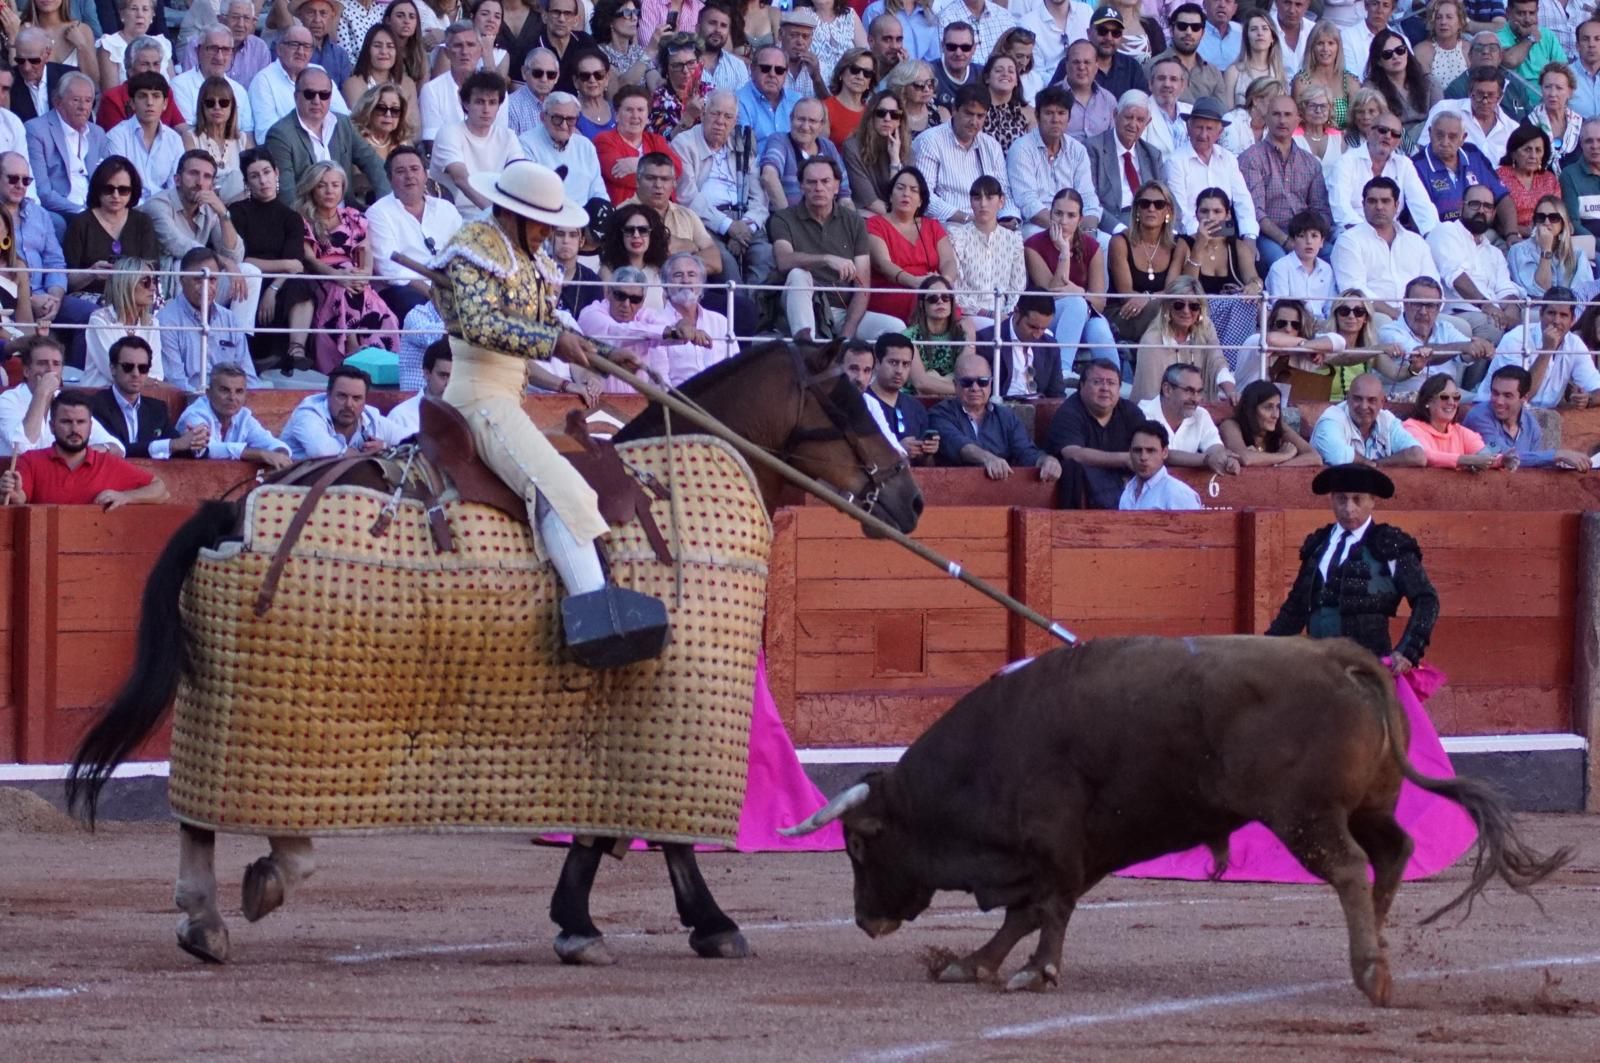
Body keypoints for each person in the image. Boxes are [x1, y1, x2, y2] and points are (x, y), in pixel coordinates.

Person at [433, 158, 669, 666]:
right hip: (476, 397)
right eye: (540, 222)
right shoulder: (474, 248)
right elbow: (480, 326)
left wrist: (603, 354)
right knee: (556, 486)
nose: (546, 233)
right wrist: (556, 340)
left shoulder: (526, 256)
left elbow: (549, 326)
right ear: (510, 213)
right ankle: (596, 619)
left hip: (508, 395)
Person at [1266, 463, 1438, 675]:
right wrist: (1266, 651)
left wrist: (1408, 651)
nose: (1349, 508)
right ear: (1332, 500)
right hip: (1318, 667)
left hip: (1367, 670)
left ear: (1372, 501)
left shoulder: (1390, 546)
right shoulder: (1318, 545)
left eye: (1357, 499)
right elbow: (1295, 609)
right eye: (1341, 499)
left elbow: (1426, 599)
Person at [772, 155, 903, 343]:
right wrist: (826, 258)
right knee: (798, 274)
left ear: (836, 186)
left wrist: (846, 336)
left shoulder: (854, 221)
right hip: (801, 306)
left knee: (895, 328)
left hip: (841, 312)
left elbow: (862, 284)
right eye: (811, 182)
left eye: (825, 181)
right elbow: (784, 260)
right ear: (801, 186)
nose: (818, 188)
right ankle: (806, 347)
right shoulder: (784, 218)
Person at [295, 160, 398, 373]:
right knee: (341, 290)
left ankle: (382, 360)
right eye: (322, 185)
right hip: (322, 278)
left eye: (335, 185)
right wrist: (337, 275)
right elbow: (309, 259)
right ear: (312, 188)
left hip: (354, 277)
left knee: (384, 311)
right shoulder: (301, 220)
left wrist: (365, 275)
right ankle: (350, 347)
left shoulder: (353, 217)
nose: (329, 191)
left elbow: (365, 250)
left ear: (343, 188)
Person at [228, 148, 317, 372]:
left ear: (277, 173)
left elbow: (295, 263)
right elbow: (242, 257)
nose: (263, 180)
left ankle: (296, 350)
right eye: (255, 176)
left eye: (267, 172)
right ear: (247, 181)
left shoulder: (291, 217)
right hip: (248, 277)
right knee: (251, 275)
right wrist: (284, 265)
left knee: (301, 284)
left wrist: (274, 288)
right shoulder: (238, 211)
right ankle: (249, 354)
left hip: (281, 282)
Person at [0, 389, 167, 506]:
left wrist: (125, 496)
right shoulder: (30, 460)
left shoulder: (107, 463)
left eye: (81, 422)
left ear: (90, 426)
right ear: (51, 426)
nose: (74, 429)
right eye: (66, 422)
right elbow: (20, 498)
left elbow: (160, 489)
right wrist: (13, 494)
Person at [265, 67, 390, 208]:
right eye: (309, 94)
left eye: (324, 95)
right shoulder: (280, 135)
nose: (317, 101)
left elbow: (374, 165)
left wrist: (385, 205)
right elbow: (287, 194)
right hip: (307, 219)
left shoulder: (343, 124)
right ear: (296, 96)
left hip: (346, 214)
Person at [928, 350, 1061, 481]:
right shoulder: (940, 414)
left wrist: (1046, 461)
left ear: (990, 384)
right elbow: (958, 445)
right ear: (956, 386)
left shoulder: (1006, 416)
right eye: (967, 382)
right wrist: (988, 459)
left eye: (983, 381)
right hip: (954, 489)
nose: (975, 388)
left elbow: (1026, 452)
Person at [367, 144, 464, 320]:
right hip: (409, 290)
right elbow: (390, 269)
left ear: (425, 175)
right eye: (401, 171)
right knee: (409, 302)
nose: (409, 176)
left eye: (414, 169)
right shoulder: (378, 213)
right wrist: (434, 294)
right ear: (389, 179)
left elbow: (465, 252)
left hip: (452, 286)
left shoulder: (446, 209)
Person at [141, 148, 249, 305]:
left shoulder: (210, 208)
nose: (200, 182)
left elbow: (235, 257)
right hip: (161, 285)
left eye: (207, 177)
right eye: (193, 173)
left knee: (248, 272)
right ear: (177, 179)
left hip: (199, 282)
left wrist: (223, 213)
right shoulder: (157, 206)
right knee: (184, 265)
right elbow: (180, 246)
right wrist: (225, 262)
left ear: (212, 185)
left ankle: (240, 330)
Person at [1023, 188, 1115, 370]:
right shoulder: (1033, 246)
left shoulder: (1092, 247)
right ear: (1050, 214)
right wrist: (1064, 252)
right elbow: (1053, 294)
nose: (1063, 221)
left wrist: (1079, 291)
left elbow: (1099, 303)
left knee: (1101, 331)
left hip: (1086, 313)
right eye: (1058, 213)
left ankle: (1114, 382)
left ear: (1080, 219)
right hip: (1048, 315)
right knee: (1075, 304)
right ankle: (1062, 372)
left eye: (1071, 215)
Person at [1239, 93, 1331, 273]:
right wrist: (1286, 241)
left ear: (1298, 120)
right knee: (1281, 262)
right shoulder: (1251, 159)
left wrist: (1310, 237)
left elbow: (1321, 210)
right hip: (1268, 235)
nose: (1282, 120)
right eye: (1276, 114)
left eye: (1288, 115)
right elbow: (1256, 213)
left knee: (1334, 254)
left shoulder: (1311, 163)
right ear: (1266, 118)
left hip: (1305, 233)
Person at [1425, 183, 1524, 345]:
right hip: (1456, 313)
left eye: (1487, 206)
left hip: (1491, 314)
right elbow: (1456, 277)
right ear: (1461, 206)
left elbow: (1505, 288)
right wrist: (1486, 306)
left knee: (1526, 331)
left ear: (1493, 213)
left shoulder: (1494, 253)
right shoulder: (1445, 232)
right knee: (1491, 327)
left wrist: (1512, 314)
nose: (1481, 211)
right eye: (1475, 204)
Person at [1331, 177, 1440, 317]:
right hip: (1370, 315)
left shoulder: (1416, 242)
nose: (1379, 207)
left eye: (1385, 201)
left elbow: (1433, 283)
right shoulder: (1349, 241)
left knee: (1459, 326)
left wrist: (1422, 312)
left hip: (1420, 314)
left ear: (1397, 205)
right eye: (1372, 201)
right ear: (1363, 205)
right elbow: (1354, 290)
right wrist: (1398, 316)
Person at [1046, 355, 1144, 508]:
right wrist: (1125, 459)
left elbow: (1150, 446)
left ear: (1119, 389)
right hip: (1080, 500)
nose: (1105, 388)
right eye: (1097, 382)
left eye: (1111, 383)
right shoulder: (1069, 412)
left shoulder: (1130, 412)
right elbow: (1073, 453)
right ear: (1082, 386)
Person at [1476, 286, 1600, 406]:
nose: (1556, 321)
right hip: (1495, 411)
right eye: (1551, 313)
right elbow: (1522, 396)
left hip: (1538, 416)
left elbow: (1596, 387)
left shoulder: (1574, 343)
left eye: (1563, 315)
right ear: (1541, 314)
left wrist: (1589, 398)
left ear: (1572, 320)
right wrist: (1547, 350)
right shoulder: (1516, 338)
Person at [1373, 276, 1494, 398]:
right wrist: (1463, 347)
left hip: (1447, 397)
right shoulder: (1389, 331)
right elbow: (1419, 354)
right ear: (1405, 303)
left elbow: (1466, 352)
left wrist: (1481, 347)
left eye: (1430, 305)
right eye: (1417, 304)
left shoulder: (1445, 329)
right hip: (1405, 399)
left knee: (1482, 402)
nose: (1423, 311)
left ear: (1438, 307)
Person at [85, 334, 204, 459]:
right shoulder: (94, 406)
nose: (136, 374)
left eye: (143, 368)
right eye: (128, 367)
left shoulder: (157, 408)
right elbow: (118, 448)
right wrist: (170, 445)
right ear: (113, 368)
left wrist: (195, 443)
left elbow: (177, 447)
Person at [1162, 96, 1260, 242]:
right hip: (1189, 237)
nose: (1203, 135)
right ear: (1189, 128)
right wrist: (1206, 237)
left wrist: (1250, 236)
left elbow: (1243, 200)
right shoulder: (1175, 162)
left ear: (1219, 133)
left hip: (1226, 234)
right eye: (1198, 127)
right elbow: (1180, 213)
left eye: (1209, 129)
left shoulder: (1228, 159)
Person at [154, 245, 253, 390]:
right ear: (182, 280)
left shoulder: (229, 319)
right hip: (190, 405)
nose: (206, 287)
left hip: (231, 403)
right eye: (198, 280)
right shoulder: (166, 320)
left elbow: (248, 376)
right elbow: (175, 382)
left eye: (212, 280)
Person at [864, 164, 954, 323]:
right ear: (891, 196)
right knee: (924, 304)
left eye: (914, 190)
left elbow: (948, 261)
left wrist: (942, 282)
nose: (906, 193)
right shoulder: (875, 224)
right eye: (900, 188)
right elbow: (882, 264)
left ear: (921, 200)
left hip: (930, 291)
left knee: (959, 317)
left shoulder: (932, 226)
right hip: (891, 292)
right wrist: (917, 283)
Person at [911, 83, 1011, 223]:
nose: (974, 122)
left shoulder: (991, 145)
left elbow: (1004, 191)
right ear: (954, 110)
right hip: (945, 224)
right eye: (969, 114)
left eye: (980, 116)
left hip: (986, 224)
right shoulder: (929, 141)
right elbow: (924, 195)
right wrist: (966, 219)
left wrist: (1008, 218)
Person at [1008, 85, 1098, 240]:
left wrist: (1088, 228)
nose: (1055, 119)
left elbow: (1087, 196)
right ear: (1037, 115)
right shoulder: (1022, 148)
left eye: (1061, 113)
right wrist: (1063, 231)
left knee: (1106, 243)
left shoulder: (1078, 150)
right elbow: (1027, 202)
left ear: (1069, 117)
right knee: (1036, 238)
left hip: (1074, 224)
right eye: (1049, 113)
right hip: (1038, 224)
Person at [1106, 177, 1187, 348]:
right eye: (1145, 204)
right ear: (1136, 210)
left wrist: (1148, 297)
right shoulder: (1120, 242)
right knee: (1165, 310)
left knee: (1178, 309)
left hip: (1162, 311)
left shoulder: (1178, 244)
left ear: (1168, 211)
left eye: (1158, 204)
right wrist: (1153, 299)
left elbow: (1172, 291)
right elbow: (1126, 294)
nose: (1151, 208)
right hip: (1125, 314)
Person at [62, 155, 157, 301]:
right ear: (97, 189)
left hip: (134, 298)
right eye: (108, 189)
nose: (115, 195)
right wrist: (91, 273)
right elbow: (65, 281)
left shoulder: (143, 222)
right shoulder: (80, 223)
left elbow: (151, 270)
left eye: (123, 190)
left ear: (133, 191)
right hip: (90, 298)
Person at [1461, 363, 1592, 468]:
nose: (1499, 401)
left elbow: (1532, 466)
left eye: (1508, 396)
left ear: (1524, 398)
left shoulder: (1532, 426)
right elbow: (1500, 453)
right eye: (1495, 393)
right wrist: (1556, 455)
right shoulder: (1479, 416)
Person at [25, 71, 109, 235]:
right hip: (63, 209)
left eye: (88, 100)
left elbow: (107, 178)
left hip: (96, 207)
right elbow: (43, 191)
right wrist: (81, 211)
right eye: (76, 100)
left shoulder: (97, 133)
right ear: (57, 102)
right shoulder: (36, 130)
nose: (83, 107)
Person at [429, 71, 526, 210]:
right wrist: (492, 213)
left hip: (496, 213)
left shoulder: (508, 136)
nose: (486, 109)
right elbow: (460, 178)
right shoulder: (449, 133)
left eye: (492, 103)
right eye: (480, 102)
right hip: (454, 214)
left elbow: (519, 175)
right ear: (466, 104)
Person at [1329, 111, 1440, 233]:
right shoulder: (1346, 162)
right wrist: (1371, 234)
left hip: (1391, 233)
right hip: (1351, 233)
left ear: (1398, 142)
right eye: (1382, 130)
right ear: (1370, 132)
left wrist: (1433, 235)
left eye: (1395, 134)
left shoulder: (1404, 164)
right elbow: (1341, 209)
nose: (1388, 136)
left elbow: (1422, 206)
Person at [174, 363, 293, 469]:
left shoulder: (243, 416)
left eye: (239, 391)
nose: (232, 398)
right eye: (225, 390)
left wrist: (279, 456)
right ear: (208, 393)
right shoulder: (195, 415)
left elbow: (272, 443)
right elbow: (208, 449)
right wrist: (261, 454)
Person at [249, 26, 352, 142]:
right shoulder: (263, 80)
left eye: (307, 46)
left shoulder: (319, 72)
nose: (301, 52)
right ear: (279, 49)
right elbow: (266, 135)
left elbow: (343, 117)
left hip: (327, 147)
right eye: (294, 45)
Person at [281, 363, 406, 458]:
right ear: (328, 395)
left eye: (356, 398)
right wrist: (360, 455)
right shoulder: (308, 413)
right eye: (342, 396)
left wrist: (386, 447)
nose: (349, 405)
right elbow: (320, 451)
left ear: (365, 401)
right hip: (293, 488)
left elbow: (415, 441)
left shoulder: (371, 418)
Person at [1136, 360, 1239, 475]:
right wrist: (1206, 459)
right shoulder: (1142, 413)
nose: (1195, 399)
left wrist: (1224, 459)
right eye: (1189, 391)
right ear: (1167, 390)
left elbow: (1214, 446)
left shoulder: (1201, 414)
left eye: (1199, 392)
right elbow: (1161, 454)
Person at [1307, 371, 1429, 466]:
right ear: (1348, 398)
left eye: (1372, 400)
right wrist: (1372, 465)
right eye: (1357, 399)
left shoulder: (1387, 419)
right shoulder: (1331, 419)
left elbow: (1418, 456)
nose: (1364, 406)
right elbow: (1340, 456)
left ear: (1382, 402)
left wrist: (1376, 464)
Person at [1409, 108, 1506, 226]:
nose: (1445, 142)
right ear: (1430, 133)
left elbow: (1502, 197)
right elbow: (1417, 217)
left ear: (1463, 138)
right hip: (1440, 234)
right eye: (1439, 135)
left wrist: (1511, 233)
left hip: (1481, 231)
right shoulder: (1415, 166)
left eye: (1452, 136)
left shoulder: (1473, 154)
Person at [1086, 89, 1162, 236]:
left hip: (1148, 222)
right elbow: (1090, 199)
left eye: (1140, 120)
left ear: (1148, 122)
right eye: (1128, 117)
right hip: (1111, 223)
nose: (1133, 124)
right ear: (1115, 115)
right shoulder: (1093, 148)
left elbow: (1163, 198)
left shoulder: (1152, 154)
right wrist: (1119, 229)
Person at [80, 256, 161, 388]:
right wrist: (150, 381)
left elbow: (157, 373)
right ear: (126, 283)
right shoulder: (99, 320)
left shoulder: (152, 323)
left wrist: (151, 381)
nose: (153, 288)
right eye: (145, 281)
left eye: (154, 281)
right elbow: (115, 372)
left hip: (140, 396)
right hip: (99, 397)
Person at [595, 83, 681, 205]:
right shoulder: (604, 140)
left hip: (663, 212)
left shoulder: (656, 140)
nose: (635, 116)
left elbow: (676, 168)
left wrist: (638, 163)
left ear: (647, 116)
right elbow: (619, 175)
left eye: (640, 110)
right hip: (626, 214)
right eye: (629, 110)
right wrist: (661, 172)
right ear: (617, 115)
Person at [760, 97, 851, 209]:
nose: (805, 127)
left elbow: (844, 194)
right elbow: (769, 177)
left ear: (821, 125)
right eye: (801, 119)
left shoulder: (828, 147)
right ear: (791, 119)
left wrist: (849, 223)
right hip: (788, 219)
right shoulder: (780, 141)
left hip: (827, 221)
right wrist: (788, 220)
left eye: (812, 121)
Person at [1398, 372, 1502, 470]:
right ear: (1427, 401)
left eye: (1456, 397)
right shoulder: (1411, 428)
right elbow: (1424, 455)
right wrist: (1468, 460)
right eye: (1444, 397)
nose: (1451, 402)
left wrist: (1502, 460)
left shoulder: (1460, 431)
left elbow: (1484, 455)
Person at [863, 331, 938, 464]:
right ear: (877, 363)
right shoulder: (862, 403)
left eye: (905, 364)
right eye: (893, 362)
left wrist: (927, 452)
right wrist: (897, 449)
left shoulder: (916, 407)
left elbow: (928, 465)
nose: (899, 370)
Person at [974, 291, 1060, 399]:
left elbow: (1057, 395)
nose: (1037, 335)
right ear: (1016, 312)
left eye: (1043, 329)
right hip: (1001, 411)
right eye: (1032, 327)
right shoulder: (987, 340)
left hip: (1039, 410)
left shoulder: (1050, 346)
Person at [419, 20, 495, 141]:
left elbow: (498, 137)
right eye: (458, 45)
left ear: (481, 51)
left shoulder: (495, 90)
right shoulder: (431, 90)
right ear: (447, 53)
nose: (464, 52)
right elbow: (432, 141)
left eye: (470, 45)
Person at [1219, 379, 1322, 466]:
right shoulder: (1229, 425)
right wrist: (1284, 455)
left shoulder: (1278, 425)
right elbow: (1245, 457)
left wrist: (1278, 466)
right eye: (1268, 407)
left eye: (1277, 407)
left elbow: (1315, 457)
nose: (1275, 415)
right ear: (1250, 410)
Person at [95, 35, 187, 132]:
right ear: (129, 68)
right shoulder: (112, 98)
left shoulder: (166, 92)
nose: (152, 70)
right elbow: (117, 138)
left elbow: (181, 127)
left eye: (156, 64)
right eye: (144, 64)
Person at [342, 26, 421, 138]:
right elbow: (360, 124)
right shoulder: (353, 83)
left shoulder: (408, 83)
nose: (384, 52)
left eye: (390, 46)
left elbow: (414, 128)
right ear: (367, 50)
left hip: (402, 145)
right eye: (377, 46)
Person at [174, 25, 255, 135]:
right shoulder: (179, 86)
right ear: (198, 51)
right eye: (213, 48)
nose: (219, 57)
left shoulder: (239, 91)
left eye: (225, 49)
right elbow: (186, 132)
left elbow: (248, 135)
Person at [1507, 194, 1594, 295]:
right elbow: (1538, 291)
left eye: (1553, 218)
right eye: (1541, 217)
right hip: (1534, 309)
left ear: (1562, 223)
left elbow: (1583, 295)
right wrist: (1546, 250)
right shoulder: (1518, 251)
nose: (1546, 222)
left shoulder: (1577, 254)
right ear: (1535, 222)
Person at [845, 89, 913, 214]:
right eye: (881, 113)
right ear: (871, 116)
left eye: (894, 114)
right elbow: (870, 201)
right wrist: (897, 218)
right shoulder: (852, 148)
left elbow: (904, 196)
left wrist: (895, 160)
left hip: (898, 215)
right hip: (868, 215)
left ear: (899, 120)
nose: (887, 119)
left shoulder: (906, 148)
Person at [1365, 28, 1438, 143]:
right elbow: (1380, 127)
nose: (1395, 56)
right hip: (1394, 142)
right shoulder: (1372, 90)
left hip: (1430, 139)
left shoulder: (1429, 82)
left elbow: (1439, 117)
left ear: (1407, 53)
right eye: (1387, 54)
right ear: (1378, 61)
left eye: (1400, 50)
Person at [189, 76, 253, 205]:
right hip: (204, 206)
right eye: (210, 103)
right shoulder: (191, 138)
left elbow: (254, 179)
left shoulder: (243, 140)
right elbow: (191, 179)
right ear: (202, 106)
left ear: (232, 107)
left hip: (241, 208)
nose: (217, 107)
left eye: (223, 102)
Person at [899, 275, 967, 394]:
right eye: (933, 299)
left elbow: (966, 374)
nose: (940, 302)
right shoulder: (908, 336)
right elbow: (920, 383)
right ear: (921, 304)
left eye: (946, 298)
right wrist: (963, 390)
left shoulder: (962, 333)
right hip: (914, 399)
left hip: (951, 402)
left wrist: (971, 337)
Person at [1264, 209, 1337, 317]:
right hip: (1292, 325)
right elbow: (1280, 308)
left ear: (1322, 242)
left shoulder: (1327, 269)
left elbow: (1330, 308)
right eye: (1302, 236)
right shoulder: (1280, 267)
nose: (1309, 241)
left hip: (1322, 326)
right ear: (1293, 240)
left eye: (1314, 236)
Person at [1119, 420, 1205, 510]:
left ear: (1164, 452)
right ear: (1130, 452)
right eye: (1137, 450)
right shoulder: (1128, 491)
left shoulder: (1179, 494)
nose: (1143, 457)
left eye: (1150, 451)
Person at [1496, 124, 1560, 242]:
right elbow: (1494, 218)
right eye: (1527, 150)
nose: (1533, 156)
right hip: (1508, 238)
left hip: (1548, 237)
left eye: (1538, 150)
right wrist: (1521, 230)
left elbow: (1558, 214)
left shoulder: (1549, 179)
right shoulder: (1499, 177)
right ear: (1513, 153)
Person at [599, 201, 669, 309]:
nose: (636, 235)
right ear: (619, 235)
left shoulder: (661, 270)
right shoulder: (608, 271)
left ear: (652, 235)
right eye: (629, 230)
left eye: (643, 230)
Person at [650, 31, 714, 141]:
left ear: (700, 64)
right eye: (677, 65)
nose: (685, 70)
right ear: (666, 70)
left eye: (691, 63)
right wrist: (688, 117)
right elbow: (663, 143)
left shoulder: (711, 91)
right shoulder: (659, 100)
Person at [384, 337, 452, 437]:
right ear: (426, 373)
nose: (449, 383)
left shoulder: (467, 414)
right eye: (443, 376)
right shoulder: (400, 417)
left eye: (454, 376)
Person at [736, 45, 800, 145]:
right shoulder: (738, 101)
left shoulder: (797, 101)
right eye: (765, 68)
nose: (772, 74)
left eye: (779, 70)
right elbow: (745, 149)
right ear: (752, 69)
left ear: (786, 74)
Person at [1223, 11, 1285, 110]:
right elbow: (1227, 113)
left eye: (1265, 29)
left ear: (1272, 38)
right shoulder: (1233, 72)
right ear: (1247, 37)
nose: (1260, 33)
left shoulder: (1280, 72)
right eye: (1253, 29)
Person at [1499, 0, 1567, 85]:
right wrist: (1530, 39)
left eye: (1531, 13)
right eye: (1521, 13)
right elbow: (1510, 61)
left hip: (1547, 93)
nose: (1527, 19)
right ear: (1508, 13)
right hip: (1516, 95)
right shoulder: (1498, 36)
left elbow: (1563, 69)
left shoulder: (1547, 35)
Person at [1528, 62, 1579, 174]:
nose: (1552, 93)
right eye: (1547, 87)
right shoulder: (1528, 124)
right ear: (1541, 89)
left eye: (1559, 88)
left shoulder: (1580, 125)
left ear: (1570, 92)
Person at [1416, 0, 1472, 99]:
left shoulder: (1469, 49)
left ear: (1460, 22)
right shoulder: (1421, 51)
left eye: (1449, 17)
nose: (1443, 22)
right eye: (1438, 17)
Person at [822, 46, 875, 149]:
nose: (860, 77)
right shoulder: (825, 109)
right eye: (854, 70)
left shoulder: (873, 112)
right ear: (841, 72)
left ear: (870, 81)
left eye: (867, 73)